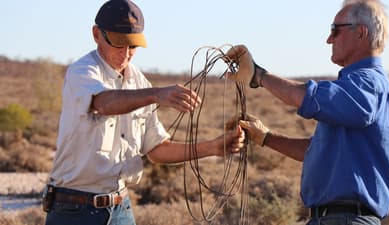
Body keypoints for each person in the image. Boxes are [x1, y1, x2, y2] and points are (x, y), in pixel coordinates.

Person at [43, 0, 245, 225]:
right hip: (73, 209)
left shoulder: (139, 81)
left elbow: (156, 150)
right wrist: (156, 94)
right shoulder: (83, 71)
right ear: (96, 34)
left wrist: (212, 148)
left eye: (133, 46)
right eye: (119, 44)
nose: (126, 53)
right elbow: (104, 103)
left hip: (121, 209)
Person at [225, 0, 389, 224]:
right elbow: (318, 151)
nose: (329, 39)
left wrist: (259, 77)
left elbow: (310, 97)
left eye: (335, 31)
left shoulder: (368, 84)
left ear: (361, 33)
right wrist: (266, 137)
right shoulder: (358, 91)